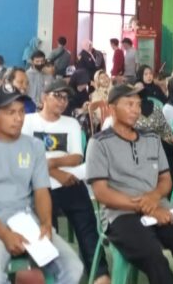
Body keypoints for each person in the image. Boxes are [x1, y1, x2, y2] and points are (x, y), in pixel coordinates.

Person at [86, 84, 173, 284]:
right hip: (121, 214)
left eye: (138, 104)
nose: (136, 110)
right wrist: (147, 208)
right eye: (129, 104)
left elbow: (165, 179)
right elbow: (102, 193)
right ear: (112, 108)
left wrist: (154, 197)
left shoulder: (152, 139)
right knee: (155, 259)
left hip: (159, 207)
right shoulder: (99, 143)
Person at [0, 84, 84, 284]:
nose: (18, 118)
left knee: (73, 267)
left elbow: (41, 191)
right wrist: (4, 234)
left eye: (21, 112)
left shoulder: (34, 146)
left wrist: (46, 224)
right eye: (10, 113)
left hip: (27, 221)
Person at [22, 80, 110, 284]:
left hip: (69, 181)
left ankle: (100, 272)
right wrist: (56, 173)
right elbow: (25, 157)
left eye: (66, 98)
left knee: (87, 225)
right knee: (48, 229)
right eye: (58, 96)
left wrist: (51, 164)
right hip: (39, 185)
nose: (63, 102)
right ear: (44, 97)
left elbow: (77, 157)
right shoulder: (28, 121)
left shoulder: (71, 123)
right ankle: (54, 274)